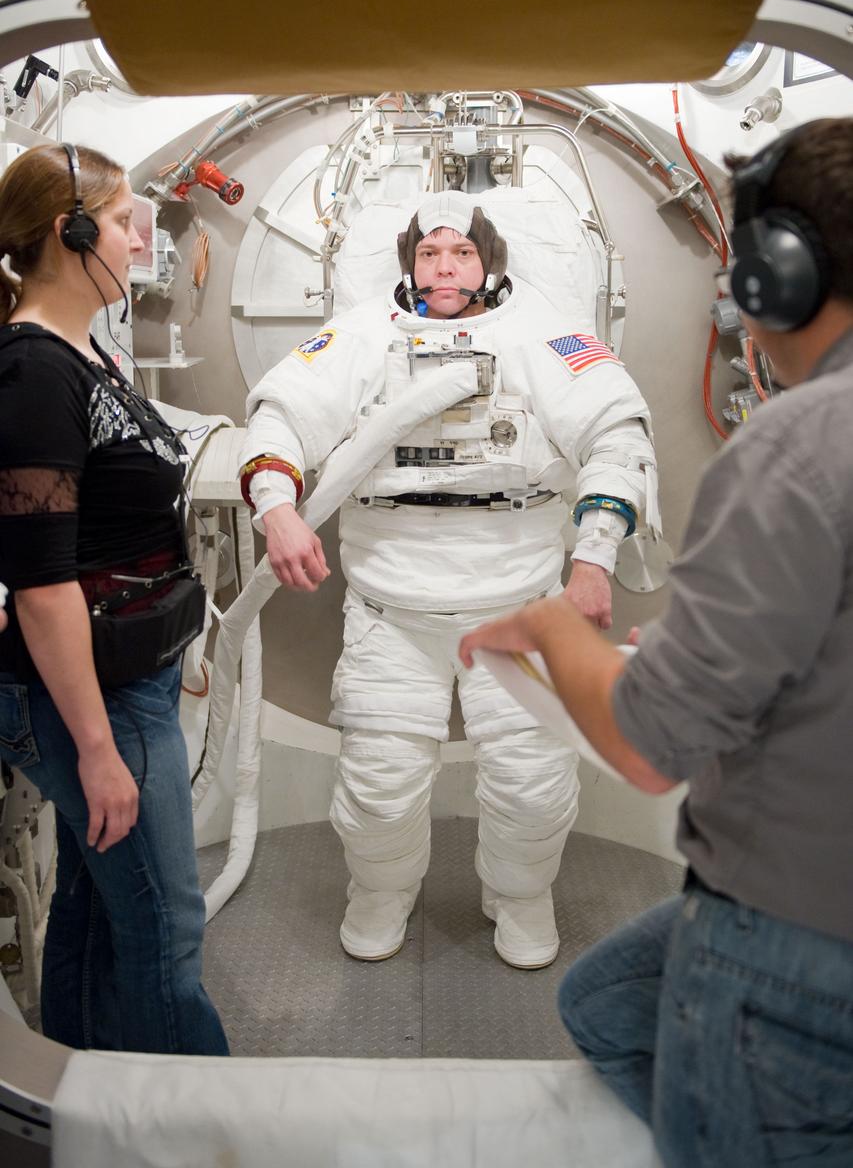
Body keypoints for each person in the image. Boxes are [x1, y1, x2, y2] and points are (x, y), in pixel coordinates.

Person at [459, 118, 853, 1164]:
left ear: (778, 276)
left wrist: (554, 610)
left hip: (795, 935)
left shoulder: (801, 444)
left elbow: (645, 747)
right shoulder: (366, 333)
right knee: (605, 1000)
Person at [241, 190, 658, 968]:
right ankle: (380, 892)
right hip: (393, 608)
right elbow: (280, 415)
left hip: (522, 601)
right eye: (429, 253)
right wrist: (277, 506)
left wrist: (594, 551)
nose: (443, 266)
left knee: (533, 785)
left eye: (460, 253)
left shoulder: (544, 334)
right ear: (408, 262)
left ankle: (521, 898)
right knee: (378, 788)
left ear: (486, 261)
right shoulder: (361, 334)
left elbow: (616, 431)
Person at [0, 143, 228, 1055]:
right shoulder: (32, 376)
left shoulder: (85, 354)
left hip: (131, 682)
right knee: (166, 930)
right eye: (129, 223)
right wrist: (97, 752)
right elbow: (42, 584)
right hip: (100, 700)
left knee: (94, 909)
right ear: (75, 232)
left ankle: (82, 1109)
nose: (141, 243)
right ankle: (198, 1132)